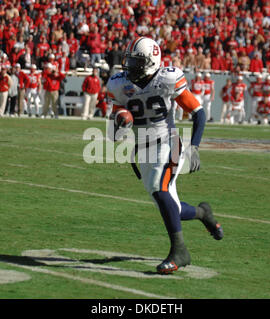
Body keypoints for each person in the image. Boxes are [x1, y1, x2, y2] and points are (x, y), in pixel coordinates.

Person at [106, 37, 223, 274]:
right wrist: (120, 118)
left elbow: (198, 112)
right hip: (145, 147)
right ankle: (203, 213)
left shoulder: (167, 78)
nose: (130, 67)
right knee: (171, 207)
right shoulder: (119, 83)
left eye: (137, 62)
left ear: (151, 62)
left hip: (169, 142)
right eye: (130, 61)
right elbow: (114, 125)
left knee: (161, 192)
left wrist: (195, 146)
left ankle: (180, 251)